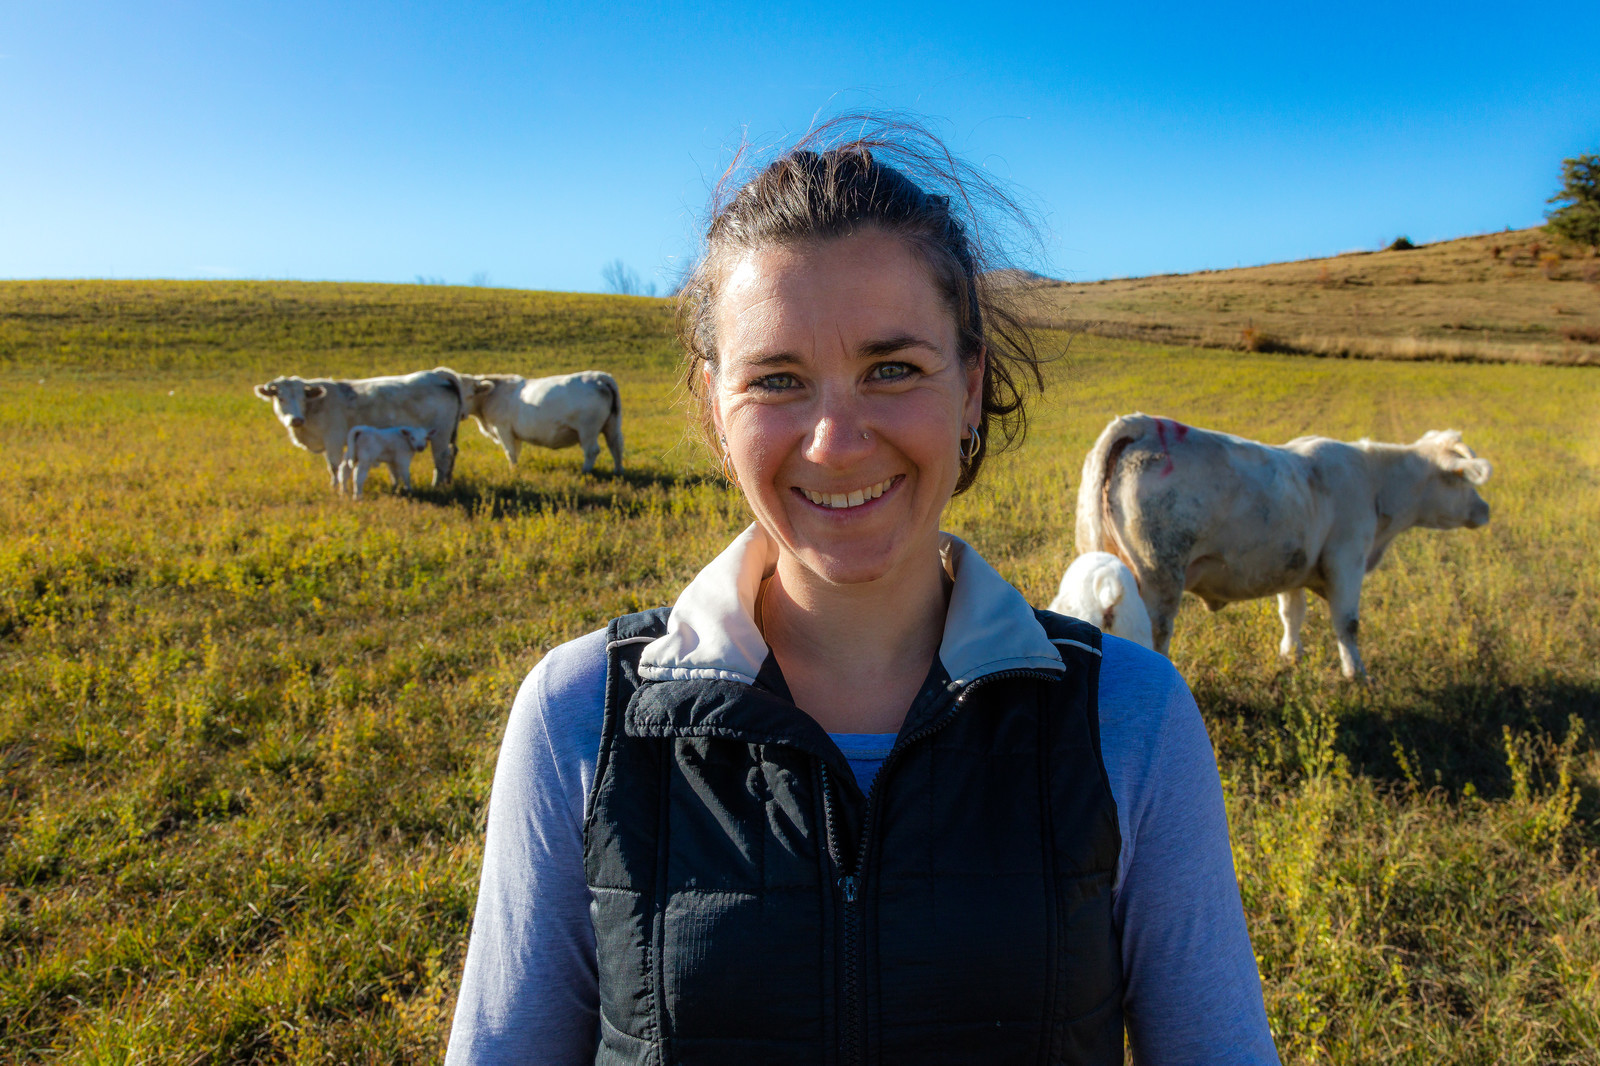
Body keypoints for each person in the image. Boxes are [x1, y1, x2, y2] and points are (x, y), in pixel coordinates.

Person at [445, 117, 1279, 1065]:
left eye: (893, 368)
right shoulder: (580, 716)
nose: (835, 441)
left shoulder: (1130, 721)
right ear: (718, 412)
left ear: (970, 388)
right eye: (777, 380)